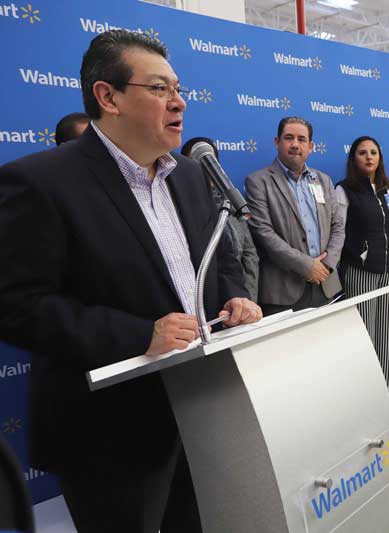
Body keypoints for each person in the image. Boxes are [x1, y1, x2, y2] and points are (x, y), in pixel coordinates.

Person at [0, 29, 262, 532]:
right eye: (159, 88)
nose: (179, 101)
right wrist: (140, 335)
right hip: (109, 434)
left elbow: (221, 259)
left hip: (203, 410)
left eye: (178, 88)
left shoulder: (189, 175)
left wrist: (235, 297)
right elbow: (15, 305)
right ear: (109, 97)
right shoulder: (41, 182)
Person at [245, 116, 345, 315]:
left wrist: (327, 264)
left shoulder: (323, 180)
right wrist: (306, 266)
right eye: (289, 138)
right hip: (283, 290)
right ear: (277, 142)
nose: (295, 144)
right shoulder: (258, 181)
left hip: (325, 284)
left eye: (301, 139)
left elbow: (338, 225)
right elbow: (263, 232)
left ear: (311, 146)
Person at [335, 136, 389, 392]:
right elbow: (339, 231)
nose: (369, 157)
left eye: (373, 152)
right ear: (353, 159)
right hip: (361, 271)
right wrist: (358, 254)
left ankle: (385, 392)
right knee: (363, 336)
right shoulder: (344, 190)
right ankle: (365, 396)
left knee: (386, 333)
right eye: (362, 153)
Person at [181, 136, 259, 300]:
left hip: (239, 298)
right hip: (204, 298)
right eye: (196, 162)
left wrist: (248, 298)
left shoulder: (230, 200)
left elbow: (249, 255)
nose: (204, 169)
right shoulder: (181, 206)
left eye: (210, 162)